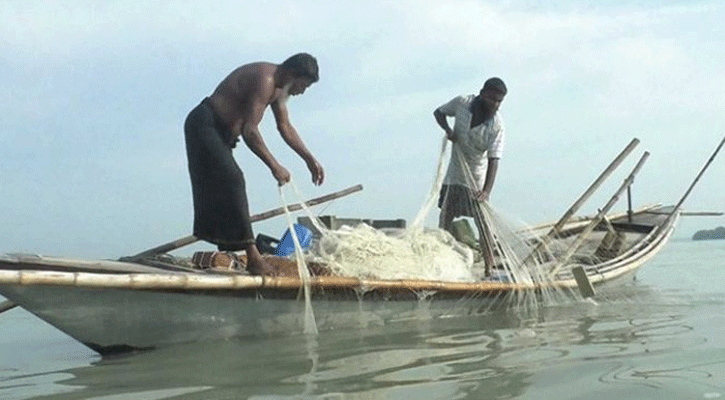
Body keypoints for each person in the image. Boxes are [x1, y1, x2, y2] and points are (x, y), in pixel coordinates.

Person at [184, 53, 325, 275]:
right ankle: (253, 258)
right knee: (233, 180)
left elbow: (285, 127)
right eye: (302, 85)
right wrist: (274, 165)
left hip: (222, 134)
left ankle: (235, 247)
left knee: (228, 181)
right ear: (291, 74)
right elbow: (249, 130)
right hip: (204, 124)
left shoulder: (279, 89)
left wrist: (309, 159)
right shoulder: (265, 80)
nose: (301, 92)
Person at [433, 77, 507, 273]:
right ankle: (440, 259)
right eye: (492, 99)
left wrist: (486, 191)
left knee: (483, 223)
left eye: (500, 101)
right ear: (482, 94)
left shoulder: (497, 126)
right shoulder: (462, 104)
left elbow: (494, 159)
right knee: (446, 215)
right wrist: (448, 130)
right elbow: (439, 113)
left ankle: (489, 267)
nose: (496, 104)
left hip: (476, 178)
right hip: (455, 174)